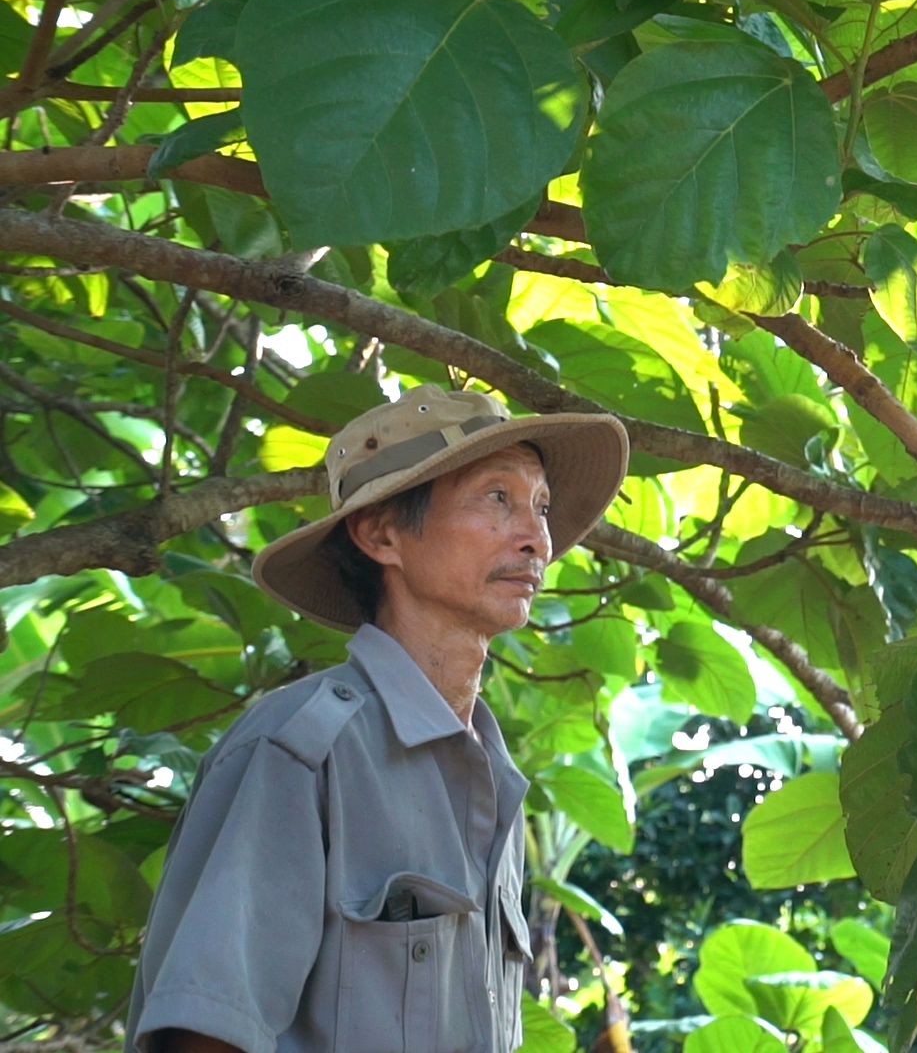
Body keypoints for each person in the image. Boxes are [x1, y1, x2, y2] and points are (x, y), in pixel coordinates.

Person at [125, 384, 628, 1053]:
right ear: (382, 533)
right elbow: (204, 1032)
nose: (538, 539)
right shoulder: (301, 748)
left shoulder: (493, 776)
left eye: (540, 507)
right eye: (497, 498)